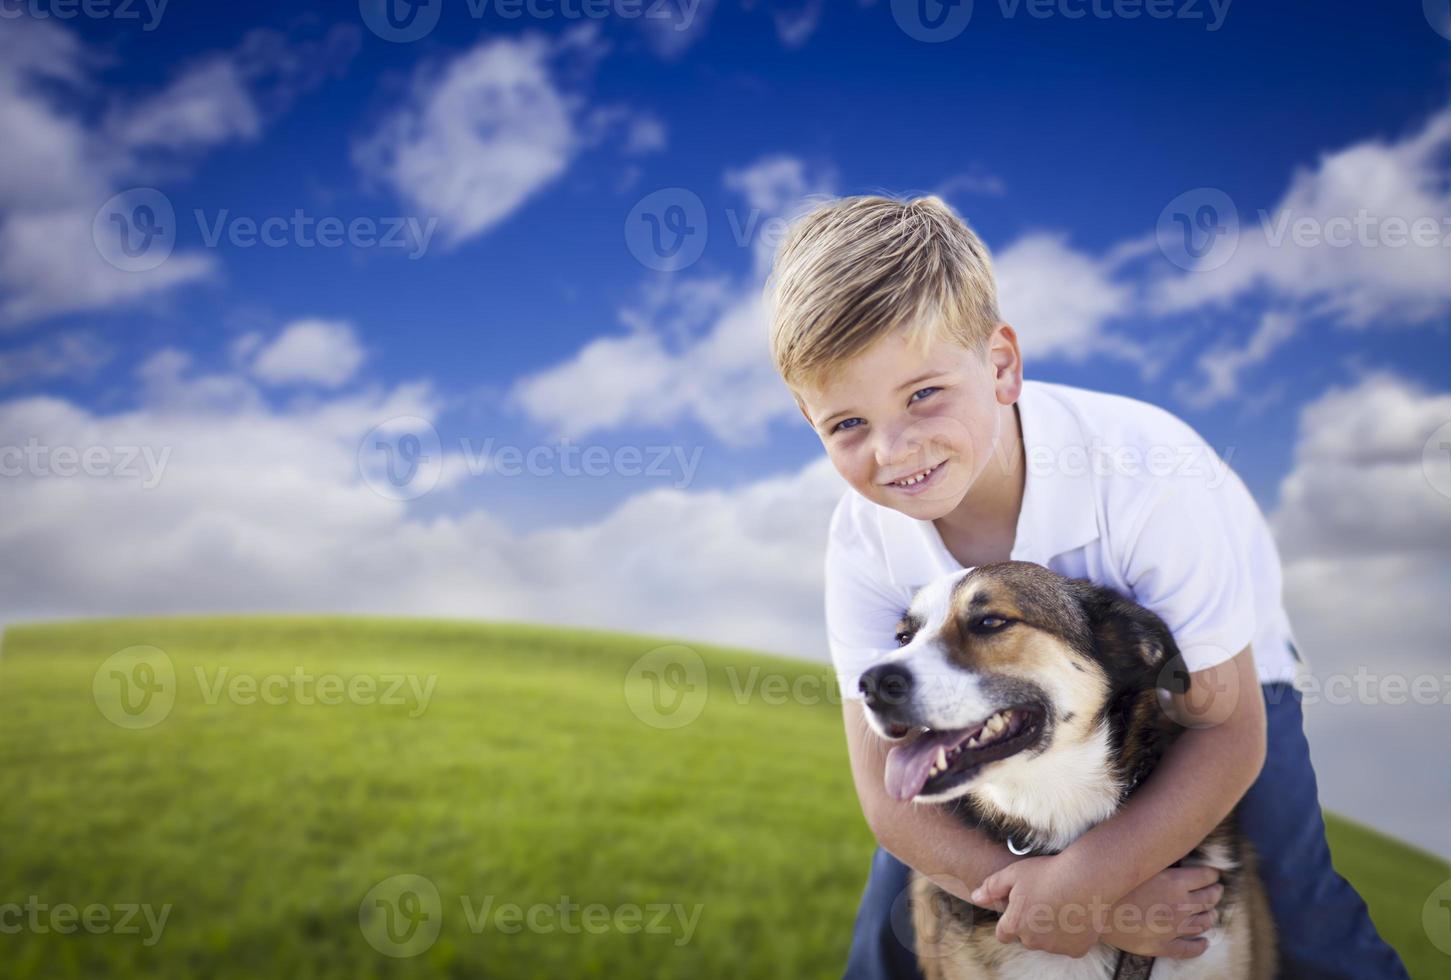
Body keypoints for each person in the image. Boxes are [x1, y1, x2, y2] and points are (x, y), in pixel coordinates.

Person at [763, 194, 1409, 979]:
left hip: (1216, 676)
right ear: (809, 419)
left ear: (1001, 365)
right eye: (846, 425)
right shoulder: (864, 537)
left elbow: (1226, 729)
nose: (893, 450)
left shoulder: (1145, 474)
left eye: (922, 394)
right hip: (987, 701)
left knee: (1300, 910)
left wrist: (1091, 878)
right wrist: (1086, 905)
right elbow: (887, 796)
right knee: (890, 927)